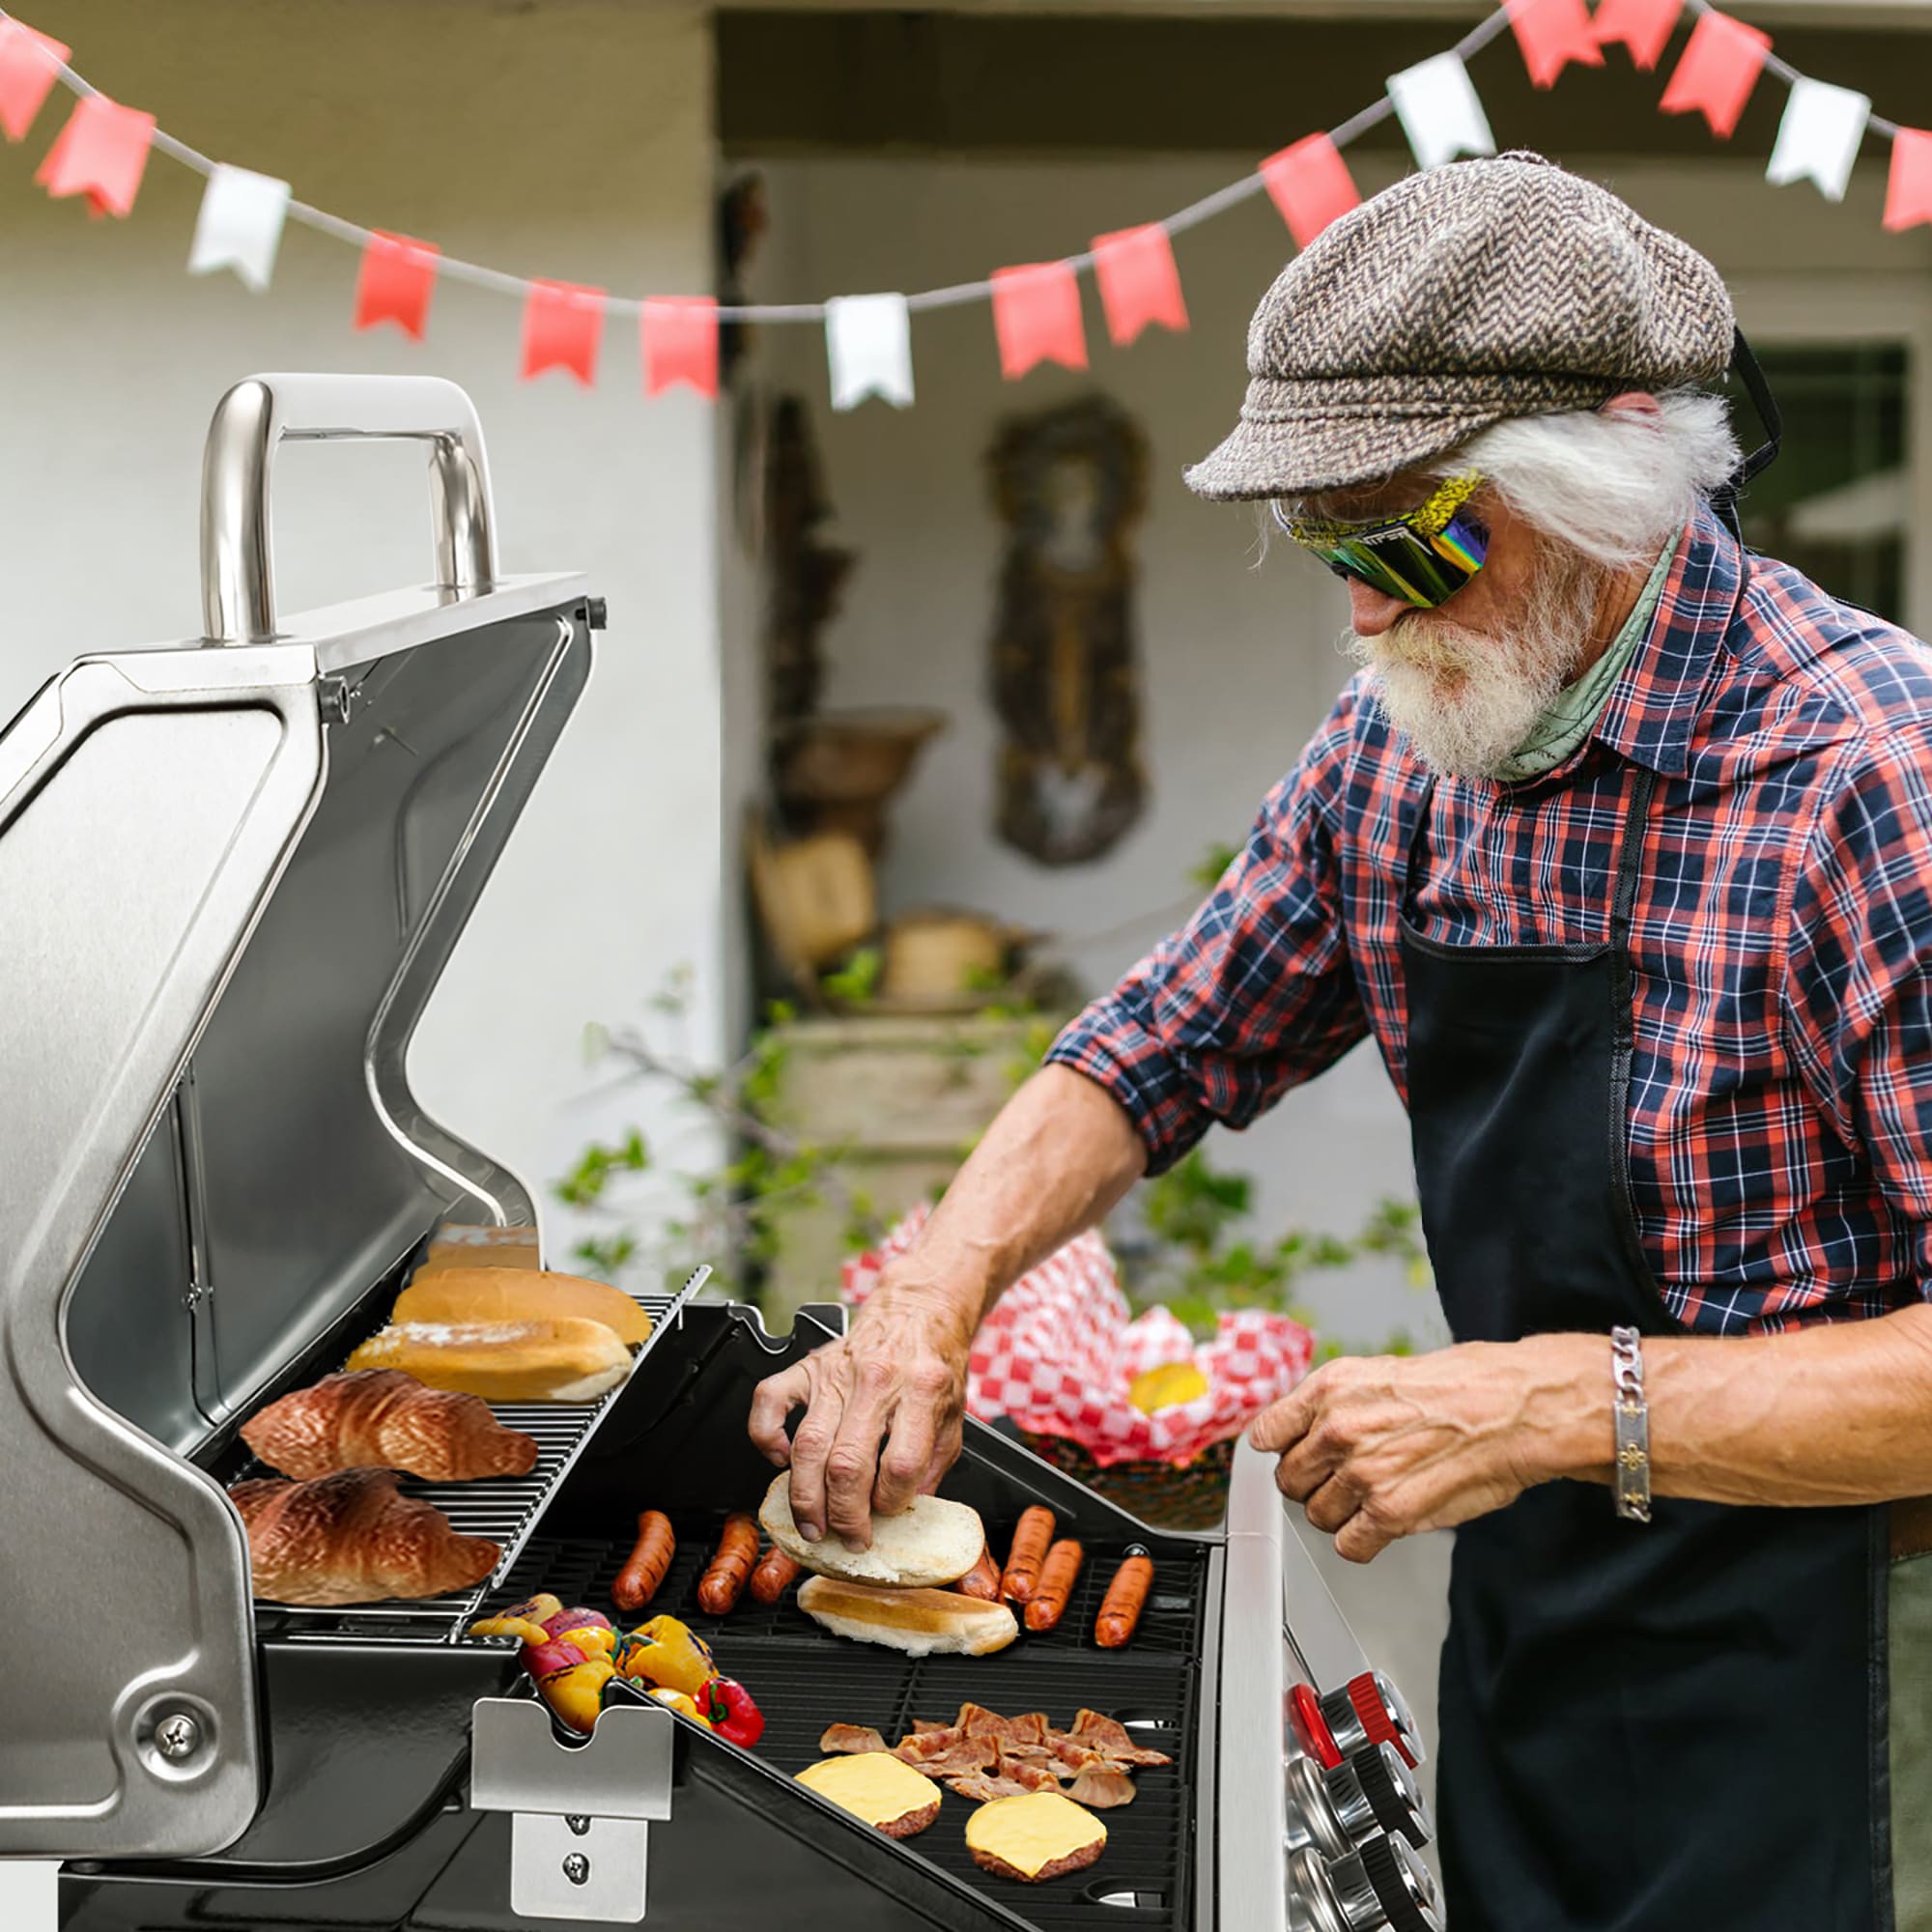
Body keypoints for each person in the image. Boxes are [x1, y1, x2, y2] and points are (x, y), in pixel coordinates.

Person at [748, 152, 1932, 1931]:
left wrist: (1553, 1398)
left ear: (1604, 493)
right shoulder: (1413, 741)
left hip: (1852, 1636)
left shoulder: (1869, 778)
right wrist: (929, 1293)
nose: (1362, 609)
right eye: (1328, 546)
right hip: (1552, 1590)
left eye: (1402, 540)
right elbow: (1157, 1045)